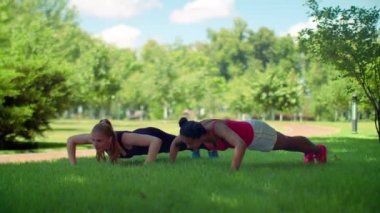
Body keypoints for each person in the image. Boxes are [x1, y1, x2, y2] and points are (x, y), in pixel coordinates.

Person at [170, 117, 327, 170]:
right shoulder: (190, 132)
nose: (188, 147)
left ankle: (318, 150)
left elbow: (240, 144)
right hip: (250, 134)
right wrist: (172, 163)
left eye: (190, 144)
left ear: (200, 137)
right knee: (287, 143)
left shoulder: (217, 128)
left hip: (256, 133)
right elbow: (175, 144)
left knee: (287, 143)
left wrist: (233, 171)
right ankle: (310, 152)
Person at [67, 119, 196, 165]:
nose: (95, 144)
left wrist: (147, 165)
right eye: (93, 140)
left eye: (99, 141)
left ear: (110, 139)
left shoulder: (124, 138)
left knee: (186, 143)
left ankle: (198, 132)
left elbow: (156, 141)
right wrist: (73, 165)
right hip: (143, 139)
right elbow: (71, 140)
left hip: (151, 136)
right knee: (187, 145)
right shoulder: (96, 138)